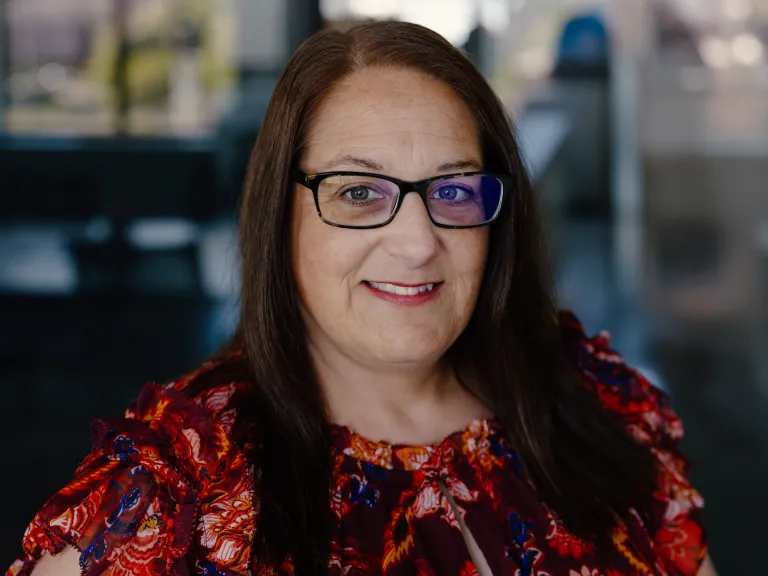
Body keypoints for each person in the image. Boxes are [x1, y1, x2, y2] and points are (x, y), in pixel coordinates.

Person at [8, 21, 716, 576]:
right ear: (279, 215)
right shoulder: (174, 494)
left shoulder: (596, 403)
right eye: (357, 192)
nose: (416, 243)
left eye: (454, 189)